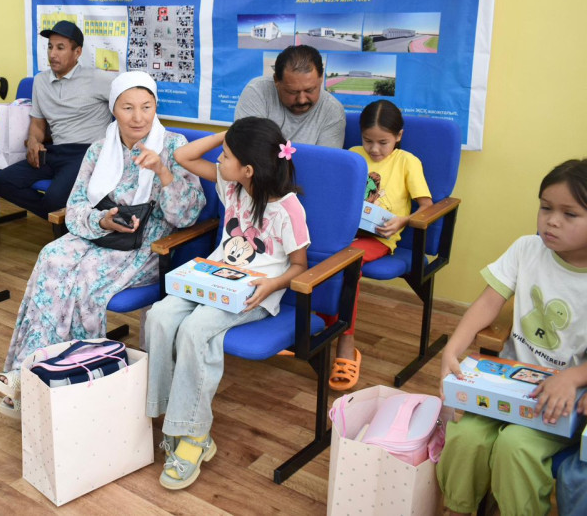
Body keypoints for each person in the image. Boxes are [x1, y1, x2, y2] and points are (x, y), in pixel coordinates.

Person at [0, 72, 205, 419]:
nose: (138, 117)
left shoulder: (174, 146)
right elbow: (75, 207)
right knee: (52, 257)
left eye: (146, 107)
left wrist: (163, 172)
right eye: (128, 107)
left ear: (155, 107)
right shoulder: (99, 149)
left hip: (148, 247)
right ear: (113, 109)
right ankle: (28, 373)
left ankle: (78, 384)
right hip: (101, 234)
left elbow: (187, 215)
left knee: (83, 280)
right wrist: (101, 221)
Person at [145, 117, 310, 490]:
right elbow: (183, 156)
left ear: (248, 169)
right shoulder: (232, 186)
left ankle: (195, 435)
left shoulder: (288, 209)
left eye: (226, 154)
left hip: (255, 292)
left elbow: (299, 266)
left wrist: (272, 284)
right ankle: (170, 416)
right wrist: (229, 135)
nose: (220, 158)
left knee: (195, 330)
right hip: (213, 279)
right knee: (159, 316)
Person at [437, 159, 587, 516]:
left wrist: (573, 378)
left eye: (569, 214)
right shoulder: (527, 249)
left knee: (516, 447)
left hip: (561, 399)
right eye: (546, 208)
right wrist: (451, 350)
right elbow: (488, 303)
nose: (551, 221)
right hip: (505, 382)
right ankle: (458, 508)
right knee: (465, 437)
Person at [321, 100, 432, 390]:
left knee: (348, 266)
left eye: (383, 142)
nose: (374, 149)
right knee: (319, 258)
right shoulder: (352, 155)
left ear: (399, 136)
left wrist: (403, 221)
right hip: (346, 233)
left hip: (380, 237)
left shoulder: (407, 162)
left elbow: (427, 206)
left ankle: (345, 342)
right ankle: (321, 327)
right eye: (368, 140)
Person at [0, 20, 116, 218]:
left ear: (77, 52)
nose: (52, 54)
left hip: (86, 153)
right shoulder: (40, 81)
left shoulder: (98, 79)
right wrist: (33, 141)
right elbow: (37, 124)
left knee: (54, 200)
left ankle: (61, 216)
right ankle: (66, 219)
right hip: (54, 152)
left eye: (60, 48)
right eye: (50, 47)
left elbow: (134, 96)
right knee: (1, 182)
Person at [233, 44, 345, 148]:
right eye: (292, 92)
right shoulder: (258, 91)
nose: (302, 100)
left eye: (309, 90)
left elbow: (325, 160)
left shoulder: (332, 110)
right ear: (276, 81)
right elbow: (247, 149)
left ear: (321, 78)